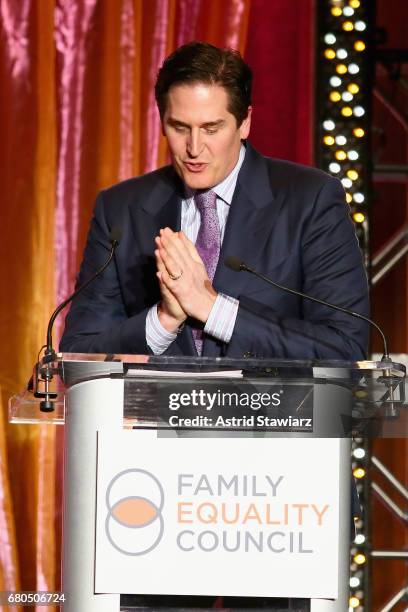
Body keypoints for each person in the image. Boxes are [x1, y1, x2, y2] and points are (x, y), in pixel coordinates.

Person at [60, 41, 369, 361]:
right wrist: (163, 321)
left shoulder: (311, 200)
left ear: (245, 122)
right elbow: (79, 354)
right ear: (162, 122)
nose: (194, 148)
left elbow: (343, 347)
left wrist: (213, 309)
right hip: (154, 411)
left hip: (271, 411)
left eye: (211, 128)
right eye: (180, 127)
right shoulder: (120, 210)